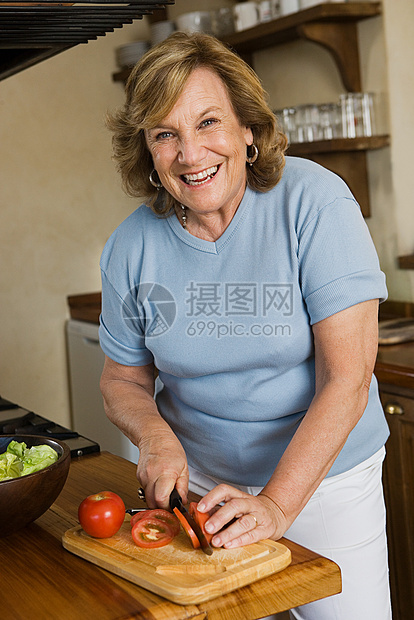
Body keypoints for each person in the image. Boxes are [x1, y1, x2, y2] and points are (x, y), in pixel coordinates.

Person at [99, 32, 391, 619]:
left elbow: (348, 377)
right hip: (203, 491)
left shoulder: (315, 203)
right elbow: (122, 380)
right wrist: (155, 438)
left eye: (208, 123)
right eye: (166, 134)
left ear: (248, 130)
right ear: (149, 153)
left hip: (327, 485)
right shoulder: (132, 245)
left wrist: (280, 505)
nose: (190, 153)